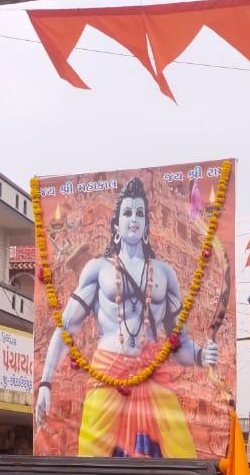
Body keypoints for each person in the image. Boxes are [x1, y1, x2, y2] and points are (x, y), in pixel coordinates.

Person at [33, 177, 219, 459]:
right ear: (116, 224)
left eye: (140, 213)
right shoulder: (98, 269)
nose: (134, 219)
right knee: (92, 465)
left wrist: (201, 356)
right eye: (128, 213)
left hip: (153, 374)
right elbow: (66, 326)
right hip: (108, 370)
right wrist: (45, 382)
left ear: (147, 224)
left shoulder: (165, 273)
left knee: (180, 459)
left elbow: (179, 344)